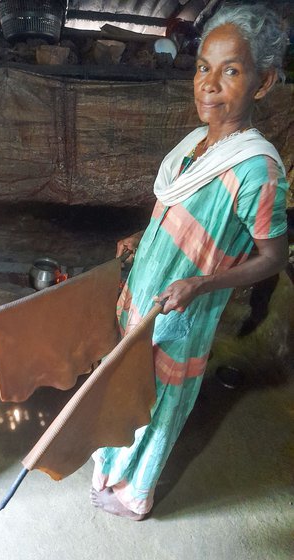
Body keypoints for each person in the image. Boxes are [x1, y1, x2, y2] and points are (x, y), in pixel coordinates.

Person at [90, 3, 289, 521]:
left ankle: (134, 492)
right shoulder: (193, 146)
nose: (210, 83)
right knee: (122, 385)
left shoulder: (257, 169)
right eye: (204, 67)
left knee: (157, 404)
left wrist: (200, 286)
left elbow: (274, 256)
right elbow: (175, 212)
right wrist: (142, 235)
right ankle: (108, 469)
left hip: (183, 313)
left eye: (232, 70)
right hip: (145, 291)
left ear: (263, 83)